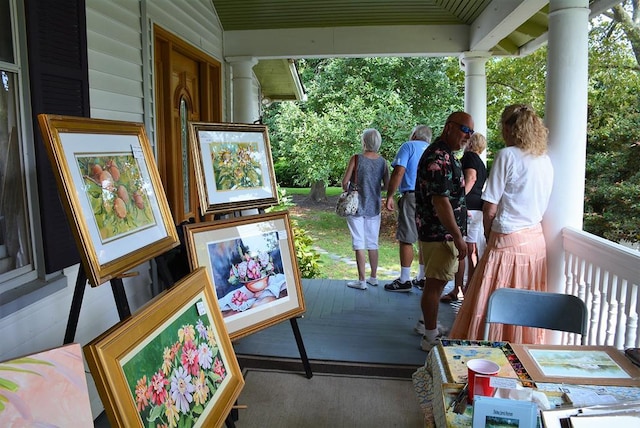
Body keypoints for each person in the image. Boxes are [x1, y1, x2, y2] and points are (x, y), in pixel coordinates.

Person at [449, 104, 553, 343]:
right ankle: (520, 348)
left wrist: (487, 233)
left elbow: (490, 206)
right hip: (535, 242)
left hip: (506, 239)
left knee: (489, 298)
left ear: (509, 128)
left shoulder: (508, 155)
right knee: (525, 300)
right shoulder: (544, 160)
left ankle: (482, 348)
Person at [415, 112, 472, 351]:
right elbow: (440, 202)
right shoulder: (439, 157)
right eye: (464, 130)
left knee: (434, 284)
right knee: (435, 285)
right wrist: (458, 237)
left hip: (439, 233)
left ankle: (428, 324)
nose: (467, 137)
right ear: (449, 127)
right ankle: (430, 337)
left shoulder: (446, 154)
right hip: (440, 234)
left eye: (471, 133)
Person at [384, 125, 432, 292]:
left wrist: (390, 195)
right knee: (423, 237)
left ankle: (404, 279)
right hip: (430, 198)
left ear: (414, 135)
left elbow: (399, 172)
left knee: (406, 237)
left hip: (411, 195)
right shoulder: (432, 150)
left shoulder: (408, 146)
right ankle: (422, 276)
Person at [341, 128, 390, 290]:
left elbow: (344, 182)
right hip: (374, 206)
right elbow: (387, 186)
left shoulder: (356, 159)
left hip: (356, 206)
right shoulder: (383, 162)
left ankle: (361, 281)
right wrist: (375, 188)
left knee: (358, 242)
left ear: (364, 142)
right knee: (372, 242)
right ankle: (373, 277)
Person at [442, 132, 488, 302]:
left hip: (468, 208)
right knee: (471, 250)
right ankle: (471, 288)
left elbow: (471, 178)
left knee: (462, 249)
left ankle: (458, 288)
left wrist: (458, 200)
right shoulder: (481, 162)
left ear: (471, 143)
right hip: (479, 208)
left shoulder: (468, 157)